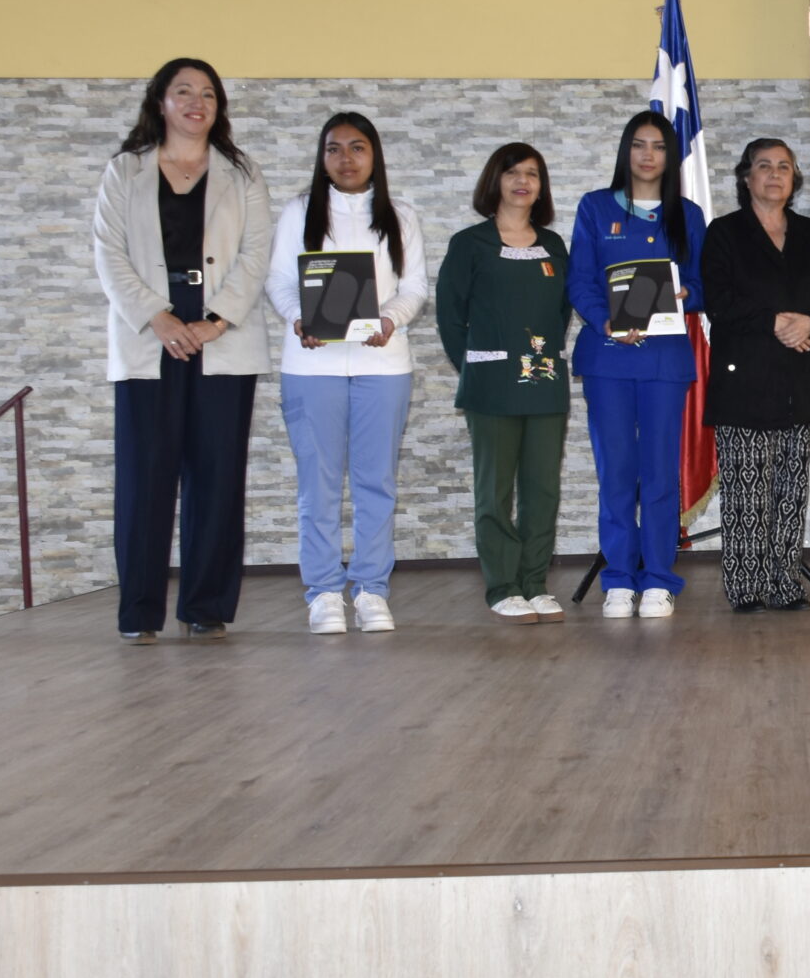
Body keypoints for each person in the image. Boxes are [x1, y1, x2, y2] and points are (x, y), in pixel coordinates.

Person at [90, 59, 272, 643]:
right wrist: (158, 316)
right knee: (144, 477)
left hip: (223, 336)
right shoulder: (126, 170)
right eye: (184, 91)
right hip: (150, 335)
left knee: (217, 476)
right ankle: (139, 614)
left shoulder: (241, 172)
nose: (197, 102)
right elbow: (109, 253)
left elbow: (256, 255)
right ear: (161, 102)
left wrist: (215, 322)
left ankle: (205, 606)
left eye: (209, 94)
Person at [264, 113, 427, 635]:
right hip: (312, 367)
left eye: (357, 147)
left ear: (374, 155)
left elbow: (414, 287)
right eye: (334, 149)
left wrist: (389, 320)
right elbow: (279, 281)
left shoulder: (399, 215)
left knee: (376, 482)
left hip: (384, 365)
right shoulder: (299, 212)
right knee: (318, 485)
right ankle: (324, 593)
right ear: (322, 158)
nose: (346, 159)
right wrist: (300, 319)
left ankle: (372, 590)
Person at [568, 112, 706, 621]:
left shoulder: (687, 214)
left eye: (659, 146)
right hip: (608, 359)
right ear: (625, 151)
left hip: (664, 362)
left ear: (671, 156)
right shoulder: (595, 206)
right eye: (639, 145)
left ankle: (659, 579)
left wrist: (685, 292)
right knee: (617, 473)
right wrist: (606, 322)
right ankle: (620, 578)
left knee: (660, 474)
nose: (648, 155)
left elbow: (704, 283)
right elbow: (580, 280)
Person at [700, 139, 810, 613]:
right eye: (764, 165)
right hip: (745, 379)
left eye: (784, 166)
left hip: (802, 379)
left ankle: (784, 583)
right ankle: (746, 586)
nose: (775, 174)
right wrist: (776, 322)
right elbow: (718, 301)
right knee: (746, 490)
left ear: (794, 178)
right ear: (747, 178)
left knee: (789, 489)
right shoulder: (725, 232)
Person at [436, 143, 573, 621]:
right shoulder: (469, 244)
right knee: (493, 491)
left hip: (544, 381)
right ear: (494, 181)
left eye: (532, 173)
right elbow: (450, 316)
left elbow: (560, 312)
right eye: (512, 172)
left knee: (542, 490)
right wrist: (479, 365)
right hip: (491, 386)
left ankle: (534, 582)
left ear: (541, 186)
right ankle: (502, 586)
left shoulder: (554, 246)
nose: (522, 181)